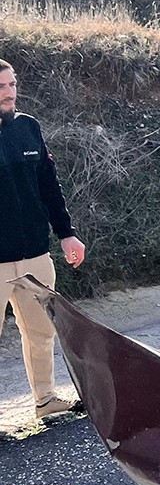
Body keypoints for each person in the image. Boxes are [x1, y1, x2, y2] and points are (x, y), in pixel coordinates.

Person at [0, 58, 86, 420]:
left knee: (40, 331)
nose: (9, 93)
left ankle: (46, 400)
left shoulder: (28, 127)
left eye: (12, 85)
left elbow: (49, 186)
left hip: (35, 254)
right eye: (1, 87)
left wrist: (67, 233)